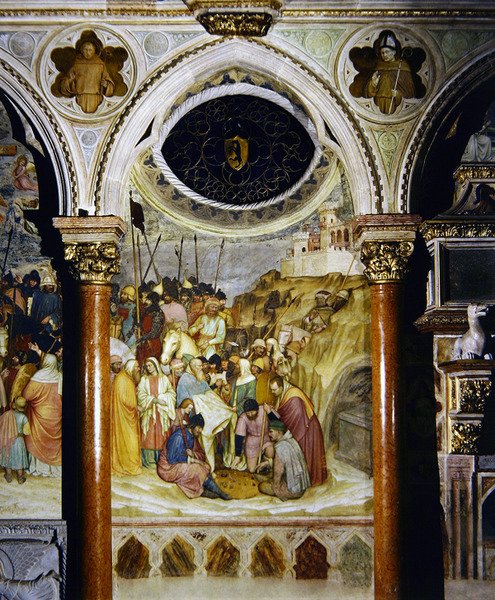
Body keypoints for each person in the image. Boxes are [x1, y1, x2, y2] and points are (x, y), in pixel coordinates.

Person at [176, 356, 235, 471]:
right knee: (206, 431)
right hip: (195, 414)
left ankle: (218, 462)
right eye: (198, 367)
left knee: (228, 415)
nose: (201, 369)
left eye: (201, 366)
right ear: (192, 367)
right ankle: (208, 467)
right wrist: (197, 402)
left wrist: (223, 405)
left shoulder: (200, 377)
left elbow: (208, 391)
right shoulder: (185, 379)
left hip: (208, 409)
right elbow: (183, 402)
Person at [267, 375, 327, 486]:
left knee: (305, 455)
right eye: (271, 389)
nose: (272, 392)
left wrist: (270, 413)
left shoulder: (294, 398)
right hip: (303, 427)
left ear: (281, 387)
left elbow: (285, 423)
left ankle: (304, 484)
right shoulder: (285, 393)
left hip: (306, 430)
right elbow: (283, 417)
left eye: (274, 390)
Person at [157, 413, 230, 500]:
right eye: (198, 427)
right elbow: (171, 458)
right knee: (196, 469)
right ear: (192, 425)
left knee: (206, 466)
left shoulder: (192, 436)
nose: (200, 430)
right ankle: (204, 492)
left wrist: (193, 454)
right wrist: (191, 460)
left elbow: (201, 454)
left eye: (201, 428)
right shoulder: (179, 436)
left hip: (180, 463)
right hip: (168, 468)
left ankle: (216, 491)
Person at [22, 342, 62, 476]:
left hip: (40, 416)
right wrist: (38, 351)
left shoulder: (39, 376)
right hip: (56, 416)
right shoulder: (60, 376)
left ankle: (39, 468)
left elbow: (26, 396)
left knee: (37, 440)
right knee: (54, 443)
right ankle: (54, 469)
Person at [364, 31, 416, 115]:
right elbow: (368, 93)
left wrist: (398, 94)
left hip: (393, 102)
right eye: (382, 53)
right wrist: (373, 84)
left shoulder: (402, 67)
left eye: (387, 52)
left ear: (394, 52)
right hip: (378, 102)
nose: (384, 55)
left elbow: (410, 92)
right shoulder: (379, 67)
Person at [137, 357, 176, 467]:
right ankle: (148, 461)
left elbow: (172, 393)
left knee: (162, 435)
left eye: (150, 365)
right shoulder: (144, 379)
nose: (148, 368)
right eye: (147, 366)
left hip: (161, 413)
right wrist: (153, 400)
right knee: (148, 435)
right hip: (149, 412)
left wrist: (163, 398)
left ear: (155, 365)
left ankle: (161, 460)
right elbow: (140, 394)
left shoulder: (163, 379)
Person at [258, 419, 311, 501]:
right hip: (301, 487)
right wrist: (268, 463)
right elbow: (287, 462)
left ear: (278, 431)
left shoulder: (281, 447)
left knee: (262, 486)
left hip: (293, 490)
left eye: (271, 431)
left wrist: (275, 486)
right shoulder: (291, 441)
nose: (269, 434)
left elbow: (278, 471)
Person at [60, 37, 115, 114]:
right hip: (80, 98)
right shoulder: (77, 64)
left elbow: (109, 84)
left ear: (94, 51)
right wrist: (70, 80)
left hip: (96, 98)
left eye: (90, 50)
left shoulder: (100, 64)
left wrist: (107, 85)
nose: (88, 52)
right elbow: (64, 85)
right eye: (86, 50)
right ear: (82, 51)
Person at [111, 359, 142, 476]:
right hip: (124, 418)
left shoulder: (126, 378)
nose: (139, 369)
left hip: (129, 417)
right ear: (131, 368)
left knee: (131, 441)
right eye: (137, 367)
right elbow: (125, 400)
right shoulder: (123, 379)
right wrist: (137, 406)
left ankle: (131, 466)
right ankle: (129, 467)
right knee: (129, 441)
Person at [231, 398, 274, 473]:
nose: (250, 415)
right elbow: (239, 437)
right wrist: (237, 456)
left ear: (257, 410)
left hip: (266, 439)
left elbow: (277, 422)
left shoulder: (264, 410)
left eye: (252, 412)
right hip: (252, 443)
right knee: (252, 470)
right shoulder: (243, 417)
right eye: (248, 413)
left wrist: (269, 412)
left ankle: (266, 461)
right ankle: (261, 462)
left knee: (270, 453)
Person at [0, 395, 30, 484]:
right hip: (19, 441)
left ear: (14, 405)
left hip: (8, 440)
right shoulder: (24, 417)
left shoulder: (7, 414)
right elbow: (27, 432)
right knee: (19, 459)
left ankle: (8, 476)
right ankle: (20, 478)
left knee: (8, 457)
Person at [136, 291, 165, 365]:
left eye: (148, 300)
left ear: (153, 301)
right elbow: (145, 324)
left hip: (152, 344)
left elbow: (154, 333)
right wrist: (140, 325)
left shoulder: (158, 313)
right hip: (144, 342)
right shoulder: (147, 311)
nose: (146, 302)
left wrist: (143, 338)